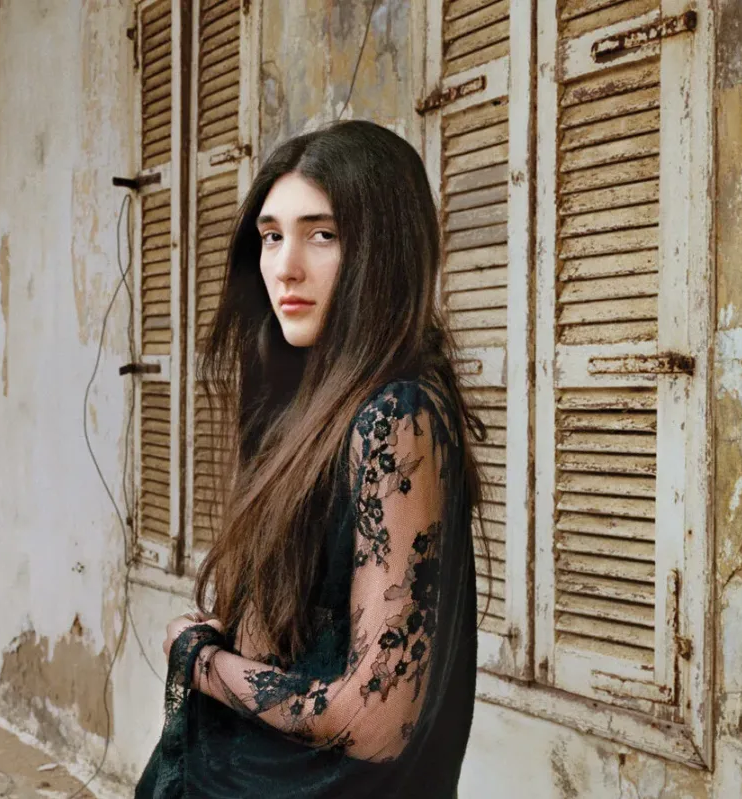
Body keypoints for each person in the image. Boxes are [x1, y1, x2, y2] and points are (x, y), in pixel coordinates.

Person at [135, 120, 485, 798]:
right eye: (272, 236)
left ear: (384, 250)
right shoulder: (305, 404)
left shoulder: (397, 416)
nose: (285, 266)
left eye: (322, 234)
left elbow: (375, 718)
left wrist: (198, 657)